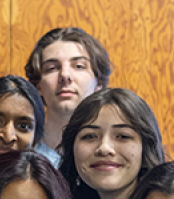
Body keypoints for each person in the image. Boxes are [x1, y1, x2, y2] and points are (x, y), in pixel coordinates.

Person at [23, 27, 112, 165]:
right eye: (52, 68)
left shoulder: (115, 154)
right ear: (37, 85)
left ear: (98, 82)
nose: (65, 75)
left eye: (79, 66)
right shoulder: (20, 157)